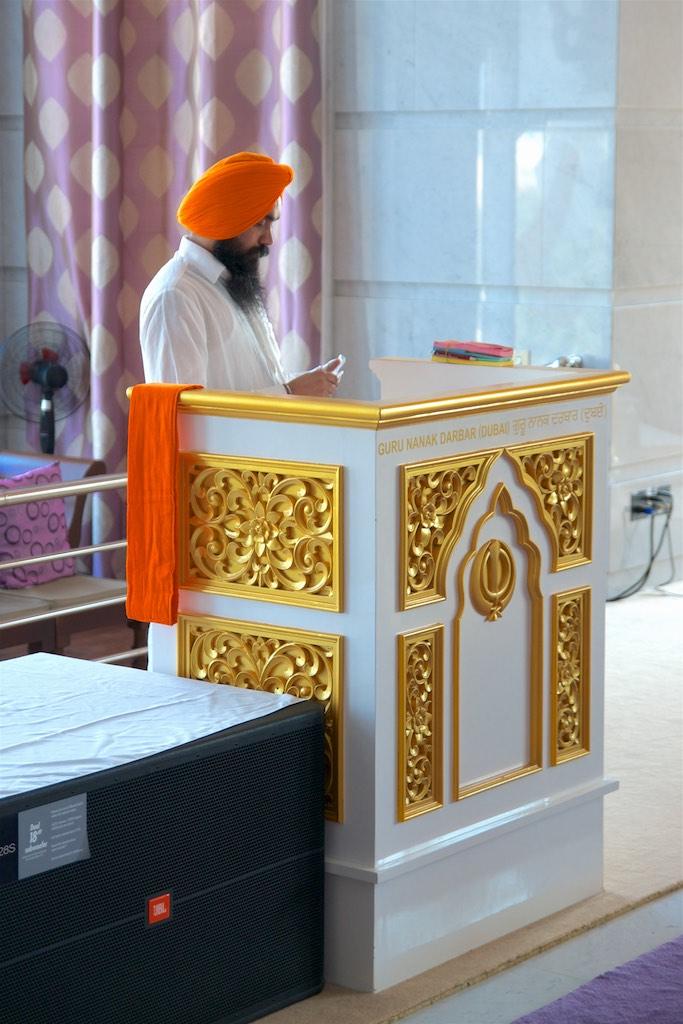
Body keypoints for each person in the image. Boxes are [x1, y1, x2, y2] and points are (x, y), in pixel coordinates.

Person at [139, 151, 344, 396]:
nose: (268, 239)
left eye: (272, 224)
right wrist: (289, 392)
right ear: (224, 218)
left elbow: (253, 385)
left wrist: (305, 385)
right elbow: (182, 411)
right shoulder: (175, 296)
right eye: (260, 224)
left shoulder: (234, 282)